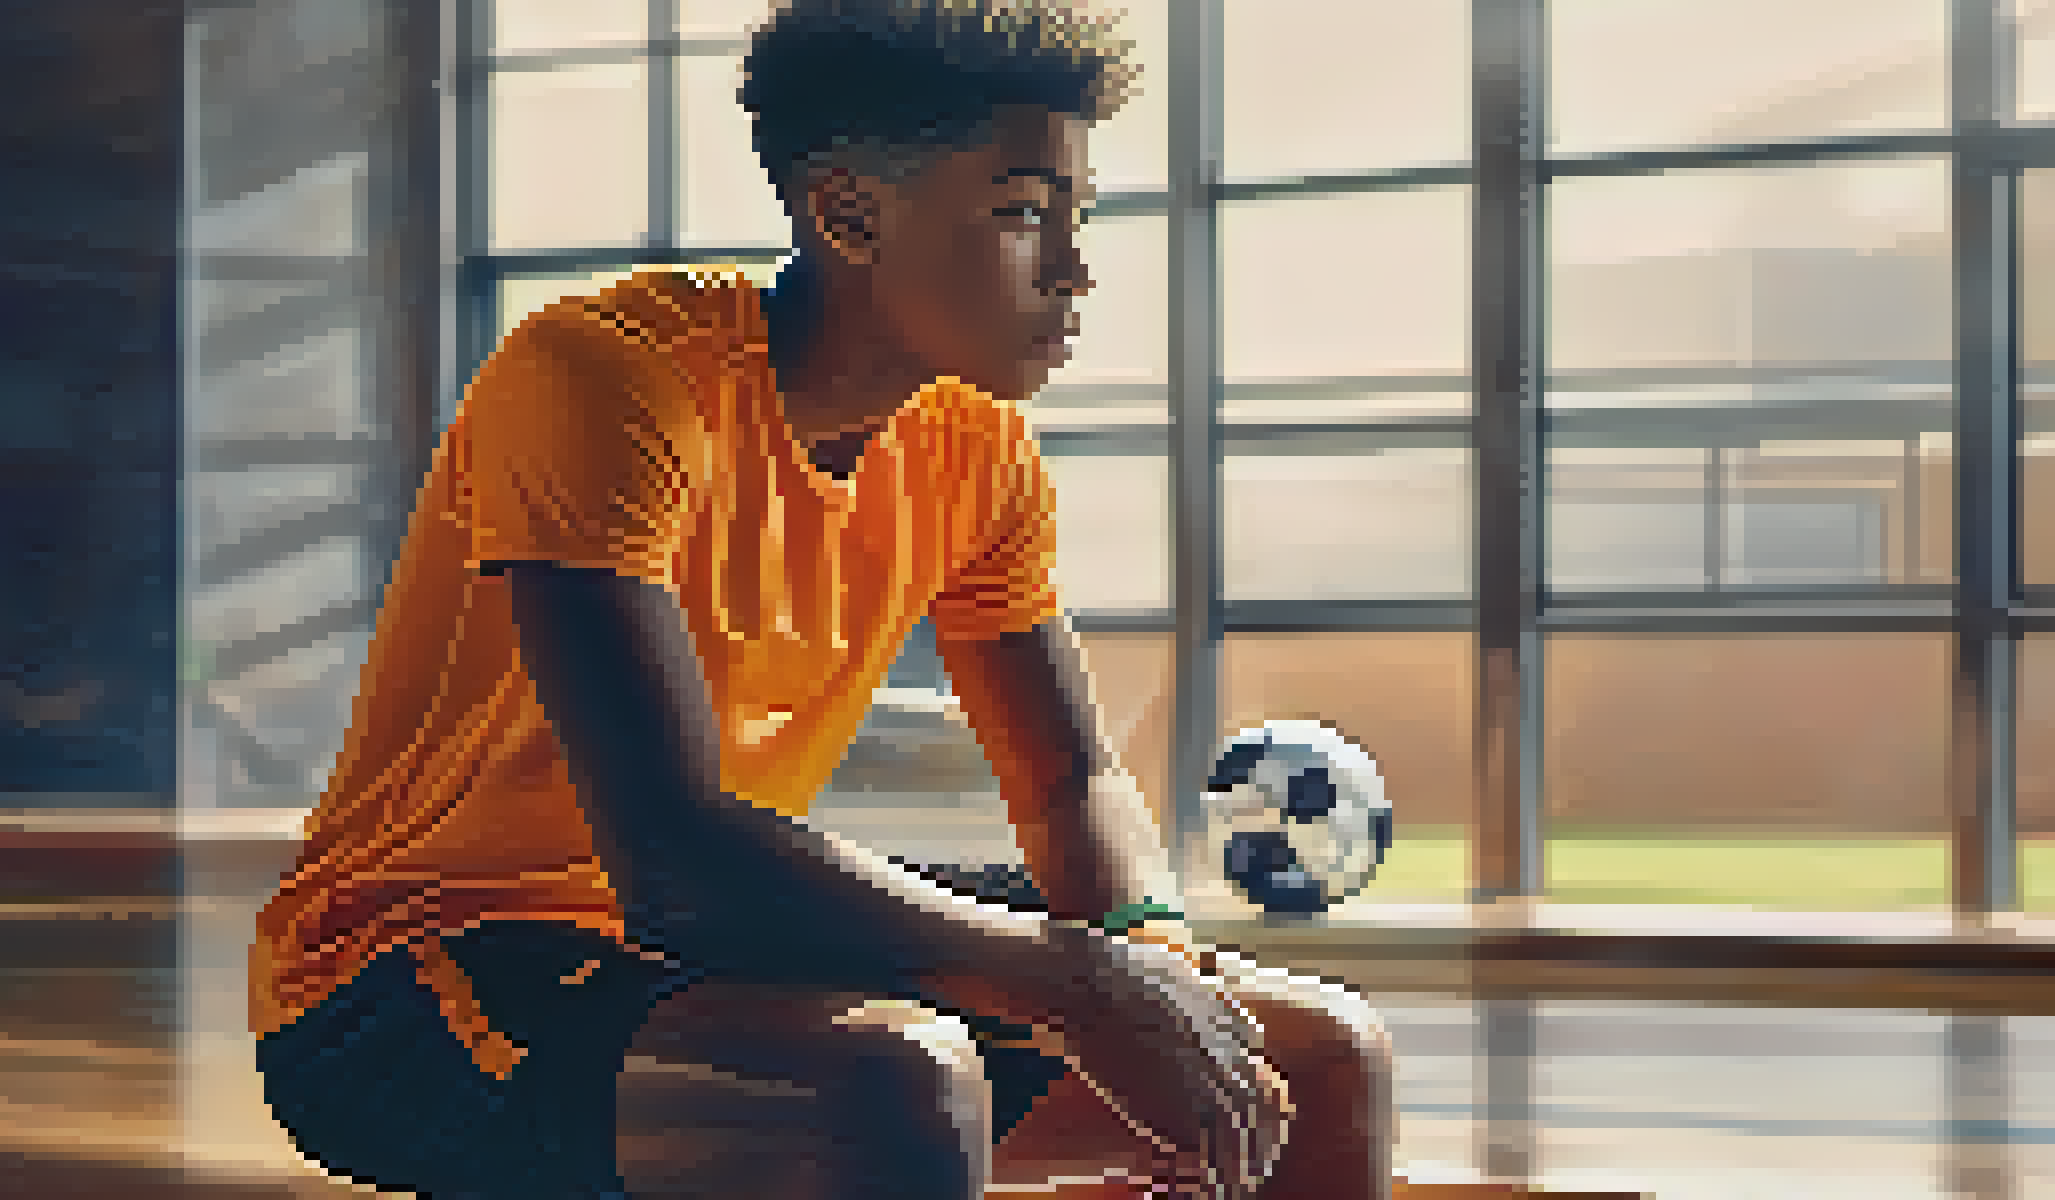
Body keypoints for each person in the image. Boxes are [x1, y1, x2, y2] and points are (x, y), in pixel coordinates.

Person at [248, 2, 1395, 1197]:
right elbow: (674, 854)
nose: (1073, 269)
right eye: (1020, 214)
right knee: (888, 1083)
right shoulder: (605, 382)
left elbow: (1067, 780)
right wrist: (1070, 982)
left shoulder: (976, 449)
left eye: (1077, 217)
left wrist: (1147, 963)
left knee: (1316, 1063)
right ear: (849, 212)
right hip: (407, 975)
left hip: (707, 936)